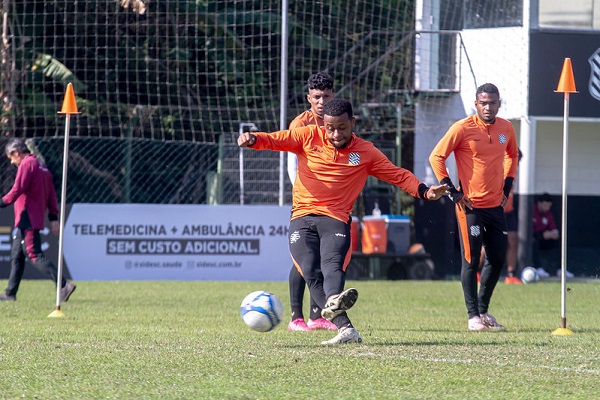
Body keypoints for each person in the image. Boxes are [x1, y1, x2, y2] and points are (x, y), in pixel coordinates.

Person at [238, 98, 449, 344]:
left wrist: (425, 191)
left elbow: (397, 174)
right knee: (309, 270)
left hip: (335, 220)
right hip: (302, 218)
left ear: (353, 122)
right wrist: (254, 139)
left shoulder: (365, 152)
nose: (336, 134)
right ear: (323, 126)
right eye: (330, 128)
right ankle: (342, 322)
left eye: (342, 128)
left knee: (332, 267)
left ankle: (339, 314)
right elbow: (277, 140)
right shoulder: (307, 136)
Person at [429, 83, 519, 331]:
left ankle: (483, 310)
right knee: (470, 260)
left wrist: (507, 186)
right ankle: (473, 317)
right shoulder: (462, 127)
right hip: (470, 208)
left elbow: (513, 155)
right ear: (476, 104)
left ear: (499, 104)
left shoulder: (506, 128)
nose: (488, 107)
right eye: (483, 103)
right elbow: (436, 156)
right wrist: (452, 191)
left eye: (492, 103)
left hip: (495, 207)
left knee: (498, 258)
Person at [286, 72, 337, 332]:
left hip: (331, 203)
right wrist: (301, 192)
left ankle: (316, 317)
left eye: (326, 96)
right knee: (304, 259)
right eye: (317, 97)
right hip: (306, 201)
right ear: (309, 98)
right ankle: (296, 317)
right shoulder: (300, 124)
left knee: (321, 258)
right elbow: (291, 163)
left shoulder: (336, 121)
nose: (321, 101)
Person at [0, 138, 76, 302]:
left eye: (11, 158)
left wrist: (2, 202)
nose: (12, 162)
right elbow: (51, 195)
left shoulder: (27, 164)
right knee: (17, 254)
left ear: (16, 153)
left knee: (33, 254)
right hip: (31, 217)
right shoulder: (42, 167)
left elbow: (17, 189)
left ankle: (64, 285)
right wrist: (53, 217)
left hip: (27, 216)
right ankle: (10, 293)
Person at [532, 192, 574, 279]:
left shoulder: (549, 215)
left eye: (548, 206)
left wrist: (554, 234)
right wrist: (542, 235)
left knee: (561, 241)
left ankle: (561, 269)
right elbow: (529, 231)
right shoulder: (532, 211)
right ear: (539, 203)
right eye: (545, 205)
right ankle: (538, 268)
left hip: (545, 240)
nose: (547, 208)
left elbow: (554, 229)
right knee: (534, 242)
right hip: (534, 238)